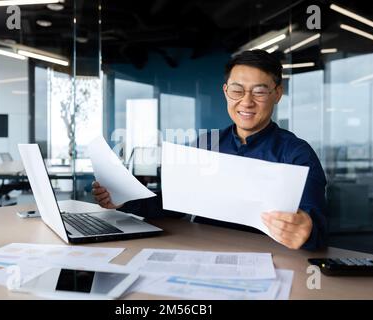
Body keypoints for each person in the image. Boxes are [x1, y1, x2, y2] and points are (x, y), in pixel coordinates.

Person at [92, 49, 328, 251]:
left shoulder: (297, 154)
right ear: (226, 91)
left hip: (270, 262)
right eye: (237, 90)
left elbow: (316, 230)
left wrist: (306, 230)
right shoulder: (206, 145)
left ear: (277, 94)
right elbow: (173, 204)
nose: (246, 102)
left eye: (259, 92)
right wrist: (123, 200)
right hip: (201, 254)